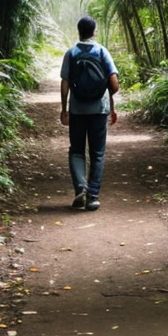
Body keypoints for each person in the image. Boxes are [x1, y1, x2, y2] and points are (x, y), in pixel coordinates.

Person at [60, 15, 119, 211]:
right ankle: (93, 196)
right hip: (98, 110)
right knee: (98, 153)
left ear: (79, 31)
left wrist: (64, 109)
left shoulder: (71, 53)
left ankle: (80, 189)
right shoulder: (102, 51)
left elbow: (65, 84)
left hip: (77, 110)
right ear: (94, 32)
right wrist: (110, 102)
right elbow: (114, 85)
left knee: (76, 151)